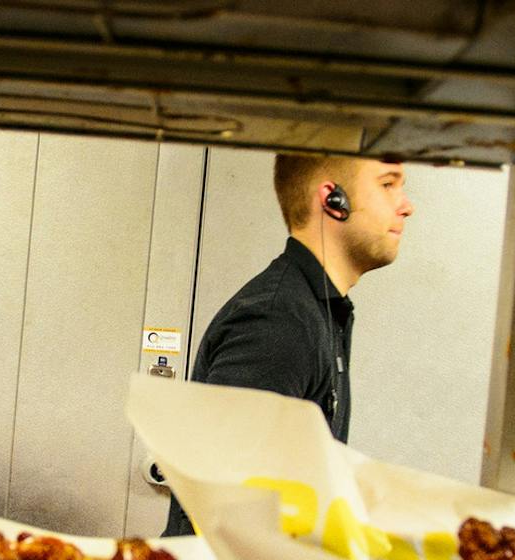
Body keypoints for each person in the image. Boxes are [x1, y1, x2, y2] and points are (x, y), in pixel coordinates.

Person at [163, 153, 414, 536]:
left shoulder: (318, 310)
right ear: (333, 200)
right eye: (387, 184)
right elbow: (227, 512)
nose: (407, 206)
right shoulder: (278, 320)